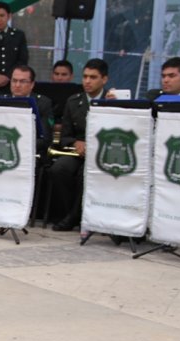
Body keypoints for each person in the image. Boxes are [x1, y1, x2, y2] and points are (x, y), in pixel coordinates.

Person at [49, 58, 110, 232]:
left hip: (101, 152)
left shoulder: (111, 100)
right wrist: (76, 142)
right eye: (85, 77)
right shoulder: (74, 101)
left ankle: (75, 216)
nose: (88, 81)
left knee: (85, 175)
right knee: (59, 169)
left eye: (93, 77)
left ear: (104, 79)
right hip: (78, 151)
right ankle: (70, 213)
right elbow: (65, 135)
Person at [8, 65, 53, 153]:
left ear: (32, 84)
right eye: (14, 81)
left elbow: (45, 139)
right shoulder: (0, 101)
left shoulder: (43, 103)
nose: (17, 85)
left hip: (30, 151)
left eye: (23, 81)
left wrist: (19, 144)